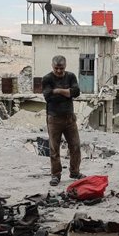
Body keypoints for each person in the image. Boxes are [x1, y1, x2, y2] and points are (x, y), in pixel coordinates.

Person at [42, 55, 85, 186]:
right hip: (54, 118)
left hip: (69, 118)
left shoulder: (71, 76)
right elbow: (49, 97)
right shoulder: (47, 78)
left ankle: (75, 172)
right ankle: (56, 175)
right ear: (52, 66)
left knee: (76, 146)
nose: (59, 71)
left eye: (61, 68)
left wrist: (58, 90)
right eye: (56, 68)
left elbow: (76, 92)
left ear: (65, 66)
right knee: (54, 149)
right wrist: (67, 93)